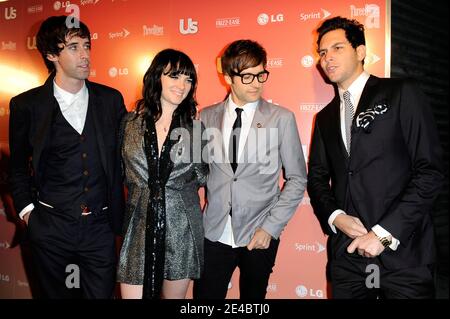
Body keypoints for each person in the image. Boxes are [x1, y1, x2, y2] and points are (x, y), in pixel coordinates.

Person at [307, 16, 444, 298]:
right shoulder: (324, 118)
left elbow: (429, 172)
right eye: (322, 52)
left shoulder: (401, 93)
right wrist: (336, 217)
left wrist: (383, 233)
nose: (327, 58)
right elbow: (318, 178)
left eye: (336, 48)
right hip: (348, 257)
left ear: (360, 52)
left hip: (404, 254)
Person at [8, 15, 126, 298]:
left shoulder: (110, 100)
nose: (85, 55)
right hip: (50, 228)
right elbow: (17, 167)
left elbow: (128, 156)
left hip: (100, 228)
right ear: (51, 55)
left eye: (87, 45)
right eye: (74, 47)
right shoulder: (27, 105)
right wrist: (28, 214)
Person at [193, 39, 307, 299]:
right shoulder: (205, 116)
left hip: (260, 232)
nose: (257, 82)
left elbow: (298, 178)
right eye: (247, 76)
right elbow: (197, 173)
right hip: (214, 231)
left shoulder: (282, 118)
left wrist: (270, 228)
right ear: (228, 77)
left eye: (261, 74)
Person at [117, 49, 208, 299]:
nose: (182, 85)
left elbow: (202, 176)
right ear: (157, 77)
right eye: (175, 76)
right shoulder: (128, 124)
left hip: (181, 229)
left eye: (188, 79)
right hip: (137, 226)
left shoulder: (196, 129)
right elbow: (121, 173)